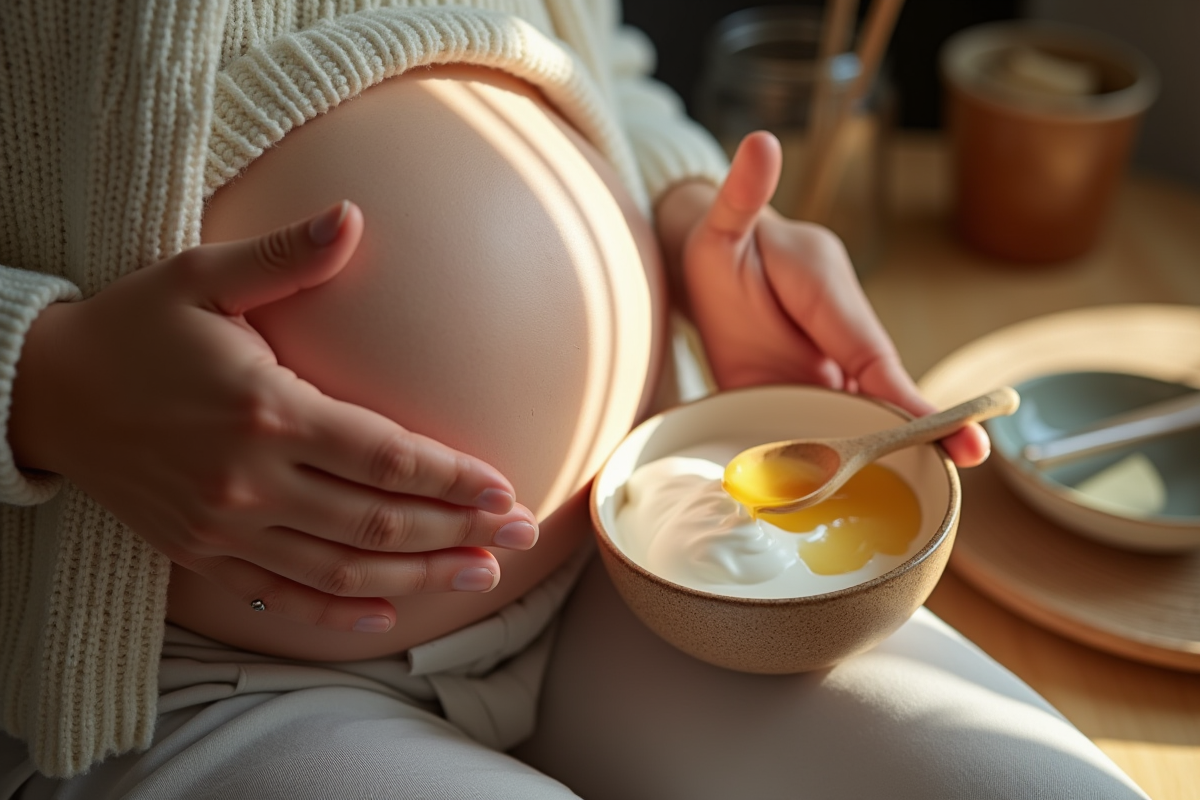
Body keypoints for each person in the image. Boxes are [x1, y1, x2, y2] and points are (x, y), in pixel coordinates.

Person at [0, 1, 1148, 797]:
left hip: (641, 555)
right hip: (174, 668)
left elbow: (601, 53)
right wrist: (41, 378)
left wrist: (683, 211)